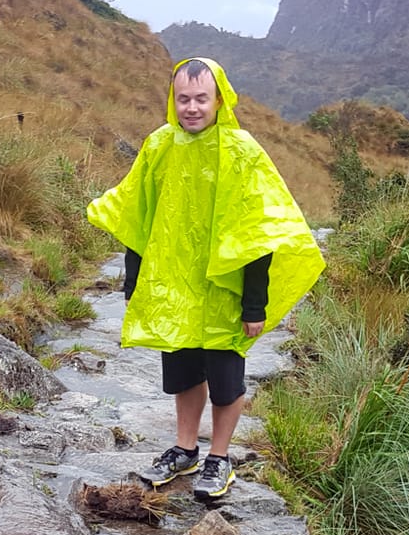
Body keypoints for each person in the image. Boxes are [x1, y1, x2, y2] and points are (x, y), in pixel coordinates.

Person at [85, 57, 323, 499]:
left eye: (201, 99)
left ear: (219, 100)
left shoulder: (242, 152)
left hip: (224, 293)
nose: (191, 108)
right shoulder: (159, 146)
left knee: (226, 380)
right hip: (175, 287)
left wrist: (254, 303)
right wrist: (134, 282)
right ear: (172, 100)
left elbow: (259, 232)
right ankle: (185, 449)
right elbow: (138, 217)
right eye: (183, 99)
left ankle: (219, 457)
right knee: (183, 372)